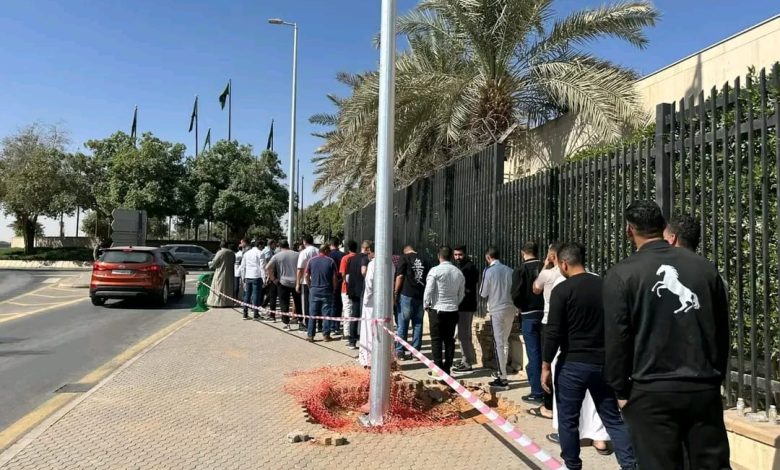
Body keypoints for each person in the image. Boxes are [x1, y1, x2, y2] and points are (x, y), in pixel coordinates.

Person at [603, 200, 730, 469]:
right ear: (663, 227)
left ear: (629, 231)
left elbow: (617, 338)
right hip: (702, 386)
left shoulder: (621, 274)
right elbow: (721, 330)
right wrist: (715, 374)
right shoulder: (705, 268)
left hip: (651, 389)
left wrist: (620, 388)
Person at [541, 243, 635, 470]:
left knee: (568, 420)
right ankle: (630, 465)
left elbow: (553, 331)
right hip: (603, 362)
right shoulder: (605, 286)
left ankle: (572, 465)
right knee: (612, 418)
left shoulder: (562, 290)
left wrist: (545, 365)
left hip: (572, 364)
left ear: (564, 264)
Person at [528, 242, 563, 419]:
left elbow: (535, 288)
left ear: (551, 256)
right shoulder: (569, 274)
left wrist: (545, 266)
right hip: (567, 323)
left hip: (548, 322)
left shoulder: (547, 274)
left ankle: (548, 405)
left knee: (547, 363)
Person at [511, 241, 545, 404]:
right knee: (545, 352)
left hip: (528, 314)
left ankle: (537, 391)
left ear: (522, 252)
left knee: (534, 353)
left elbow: (515, 294)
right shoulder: (545, 267)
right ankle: (547, 388)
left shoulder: (520, 270)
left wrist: (520, 306)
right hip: (545, 313)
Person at [423, 246, 465, 376]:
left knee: (436, 339)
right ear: (451, 256)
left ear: (439, 256)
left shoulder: (434, 271)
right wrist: (455, 304)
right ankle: (447, 368)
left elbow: (429, 290)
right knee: (449, 340)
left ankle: (437, 369)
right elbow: (461, 294)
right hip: (452, 310)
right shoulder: (458, 273)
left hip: (437, 309)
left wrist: (426, 305)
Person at [479, 246, 516, 390]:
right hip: (510, 308)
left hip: (497, 309)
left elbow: (483, 292)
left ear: (488, 257)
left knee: (499, 343)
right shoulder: (510, 270)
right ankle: (503, 371)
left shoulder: (488, 271)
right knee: (504, 342)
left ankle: (502, 377)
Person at [394, 245, 430, 360]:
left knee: (403, 324)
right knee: (418, 324)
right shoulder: (425, 259)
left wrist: (396, 292)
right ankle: (415, 352)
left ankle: (400, 351)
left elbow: (400, 276)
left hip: (406, 294)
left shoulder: (404, 258)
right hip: (420, 295)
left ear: (405, 251)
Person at [452, 245, 479, 373]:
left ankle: (467, 363)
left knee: (463, 335)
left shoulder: (469, 268)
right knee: (462, 334)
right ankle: (466, 359)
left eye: (460, 255)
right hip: (462, 305)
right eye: (456, 255)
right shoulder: (460, 267)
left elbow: (467, 287)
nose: (458, 257)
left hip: (465, 306)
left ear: (465, 254)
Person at [304, 245, 338, 342]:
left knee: (312, 314)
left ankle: (310, 335)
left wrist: (310, 286)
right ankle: (326, 335)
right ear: (326, 250)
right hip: (327, 290)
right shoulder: (331, 261)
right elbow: (334, 277)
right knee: (326, 314)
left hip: (314, 290)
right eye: (329, 251)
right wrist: (334, 288)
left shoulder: (311, 260)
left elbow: (306, 275)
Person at [267, 240, 300, 329]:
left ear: (280, 246)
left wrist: (273, 279)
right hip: (296, 282)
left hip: (283, 282)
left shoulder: (277, 256)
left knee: (284, 303)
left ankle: (286, 323)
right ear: (288, 245)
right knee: (298, 303)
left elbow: (267, 267)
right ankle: (301, 322)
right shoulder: (297, 254)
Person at [345, 240, 370, 350]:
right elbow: (365, 273)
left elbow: (347, 276)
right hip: (363, 291)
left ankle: (352, 340)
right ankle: (364, 341)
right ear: (367, 249)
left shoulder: (352, 258)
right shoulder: (366, 259)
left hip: (353, 290)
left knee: (354, 315)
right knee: (364, 316)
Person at [358, 243, 376, 367]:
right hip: (385, 303)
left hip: (371, 304)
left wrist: (366, 300)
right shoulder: (390, 264)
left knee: (368, 331)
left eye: (369, 252)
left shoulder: (372, 264)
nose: (368, 255)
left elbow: (369, 283)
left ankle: (368, 359)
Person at [296, 235, 319, 329]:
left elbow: (300, 269)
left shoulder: (304, 252)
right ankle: (317, 322)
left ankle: (307, 323)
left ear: (304, 242)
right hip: (317, 280)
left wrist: (297, 283)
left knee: (306, 303)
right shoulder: (318, 251)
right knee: (315, 302)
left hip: (306, 281)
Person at [206, 241, 236, 308]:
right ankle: (228, 302)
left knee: (219, 288)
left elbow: (214, 263)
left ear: (220, 246)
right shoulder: (232, 253)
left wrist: (210, 263)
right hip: (230, 273)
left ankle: (218, 303)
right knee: (228, 288)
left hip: (220, 273)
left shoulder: (220, 252)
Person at [239, 239, 264, 320]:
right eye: (262, 246)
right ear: (259, 245)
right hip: (257, 276)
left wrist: (243, 278)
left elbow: (243, 267)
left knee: (247, 295)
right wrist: (264, 278)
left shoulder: (247, 253)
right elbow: (262, 267)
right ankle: (255, 314)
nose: (263, 248)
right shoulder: (260, 253)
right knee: (256, 295)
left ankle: (245, 313)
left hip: (248, 276)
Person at [339, 240, 358, 341]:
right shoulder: (359, 258)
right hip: (357, 288)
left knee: (347, 309)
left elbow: (342, 273)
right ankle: (356, 331)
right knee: (356, 310)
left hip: (346, 288)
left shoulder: (345, 258)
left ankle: (346, 332)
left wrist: (345, 281)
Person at [328, 237, 345, 338]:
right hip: (340, 281)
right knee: (339, 304)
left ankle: (331, 325)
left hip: (330, 282)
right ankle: (337, 325)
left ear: (330, 244)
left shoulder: (328, 255)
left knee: (331, 304)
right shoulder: (343, 255)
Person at [261, 239, 278, 315]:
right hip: (268, 273)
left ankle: (263, 305)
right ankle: (262, 306)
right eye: (274, 244)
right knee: (270, 292)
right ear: (271, 244)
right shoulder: (268, 251)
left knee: (268, 292)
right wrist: (268, 275)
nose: (275, 245)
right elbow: (268, 263)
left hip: (267, 273)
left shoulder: (267, 250)